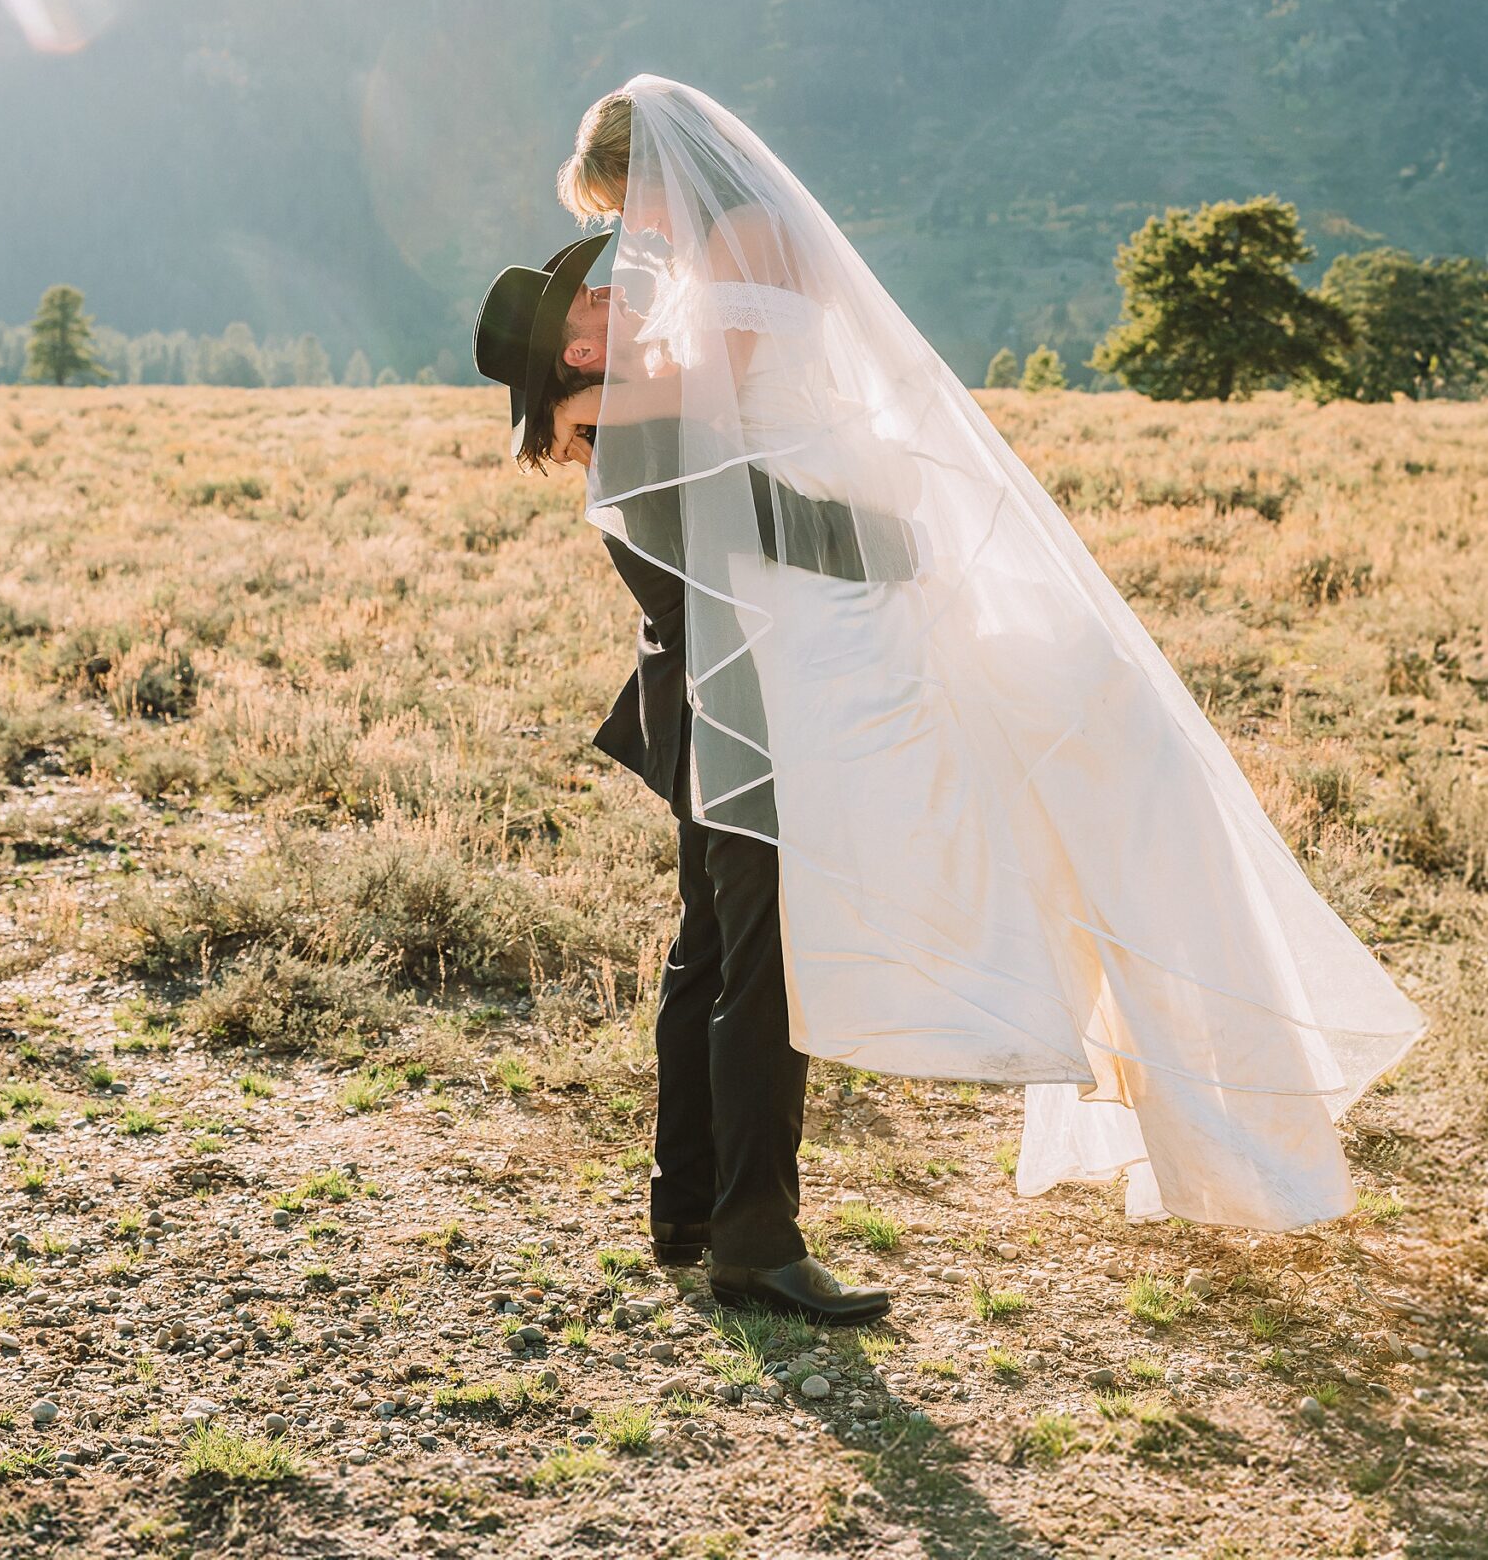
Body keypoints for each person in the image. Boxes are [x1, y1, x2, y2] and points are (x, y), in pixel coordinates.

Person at [524, 75, 1423, 1236]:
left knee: (975, 851)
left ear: (662, 172)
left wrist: (579, 396)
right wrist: (577, 395)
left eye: (626, 203)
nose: (629, 232)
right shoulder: (704, 259)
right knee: (748, 919)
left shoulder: (753, 235)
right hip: (788, 614)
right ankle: (708, 1209)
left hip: (842, 597)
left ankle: (748, 1209)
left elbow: (718, 401)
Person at [472, 236, 891, 1325]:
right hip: (742, 716)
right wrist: (902, 539)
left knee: (707, 958)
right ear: (578, 341)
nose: (621, 291)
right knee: (762, 971)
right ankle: (757, 1238)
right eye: (597, 293)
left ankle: (689, 1203)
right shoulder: (645, 433)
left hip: (706, 713)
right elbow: (777, 524)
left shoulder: (622, 429)